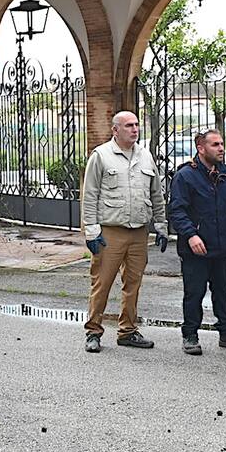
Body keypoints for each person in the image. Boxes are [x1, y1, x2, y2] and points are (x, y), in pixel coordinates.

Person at [79, 111, 168, 353]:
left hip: (139, 232)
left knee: (133, 283)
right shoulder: (101, 156)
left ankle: (127, 330)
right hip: (110, 231)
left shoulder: (145, 156)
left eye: (137, 125)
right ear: (115, 130)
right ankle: (93, 331)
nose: (134, 129)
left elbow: (156, 194)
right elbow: (89, 195)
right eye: (129, 125)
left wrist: (161, 225)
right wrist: (91, 231)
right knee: (103, 282)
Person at [168, 130, 226, 355]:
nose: (221, 149)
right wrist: (191, 235)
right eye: (215, 144)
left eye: (221, 144)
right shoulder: (185, 175)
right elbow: (177, 211)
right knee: (194, 292)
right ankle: (190, 334)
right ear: (201, 148)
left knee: (222, 290)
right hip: (196, 248)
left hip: (221, 246)